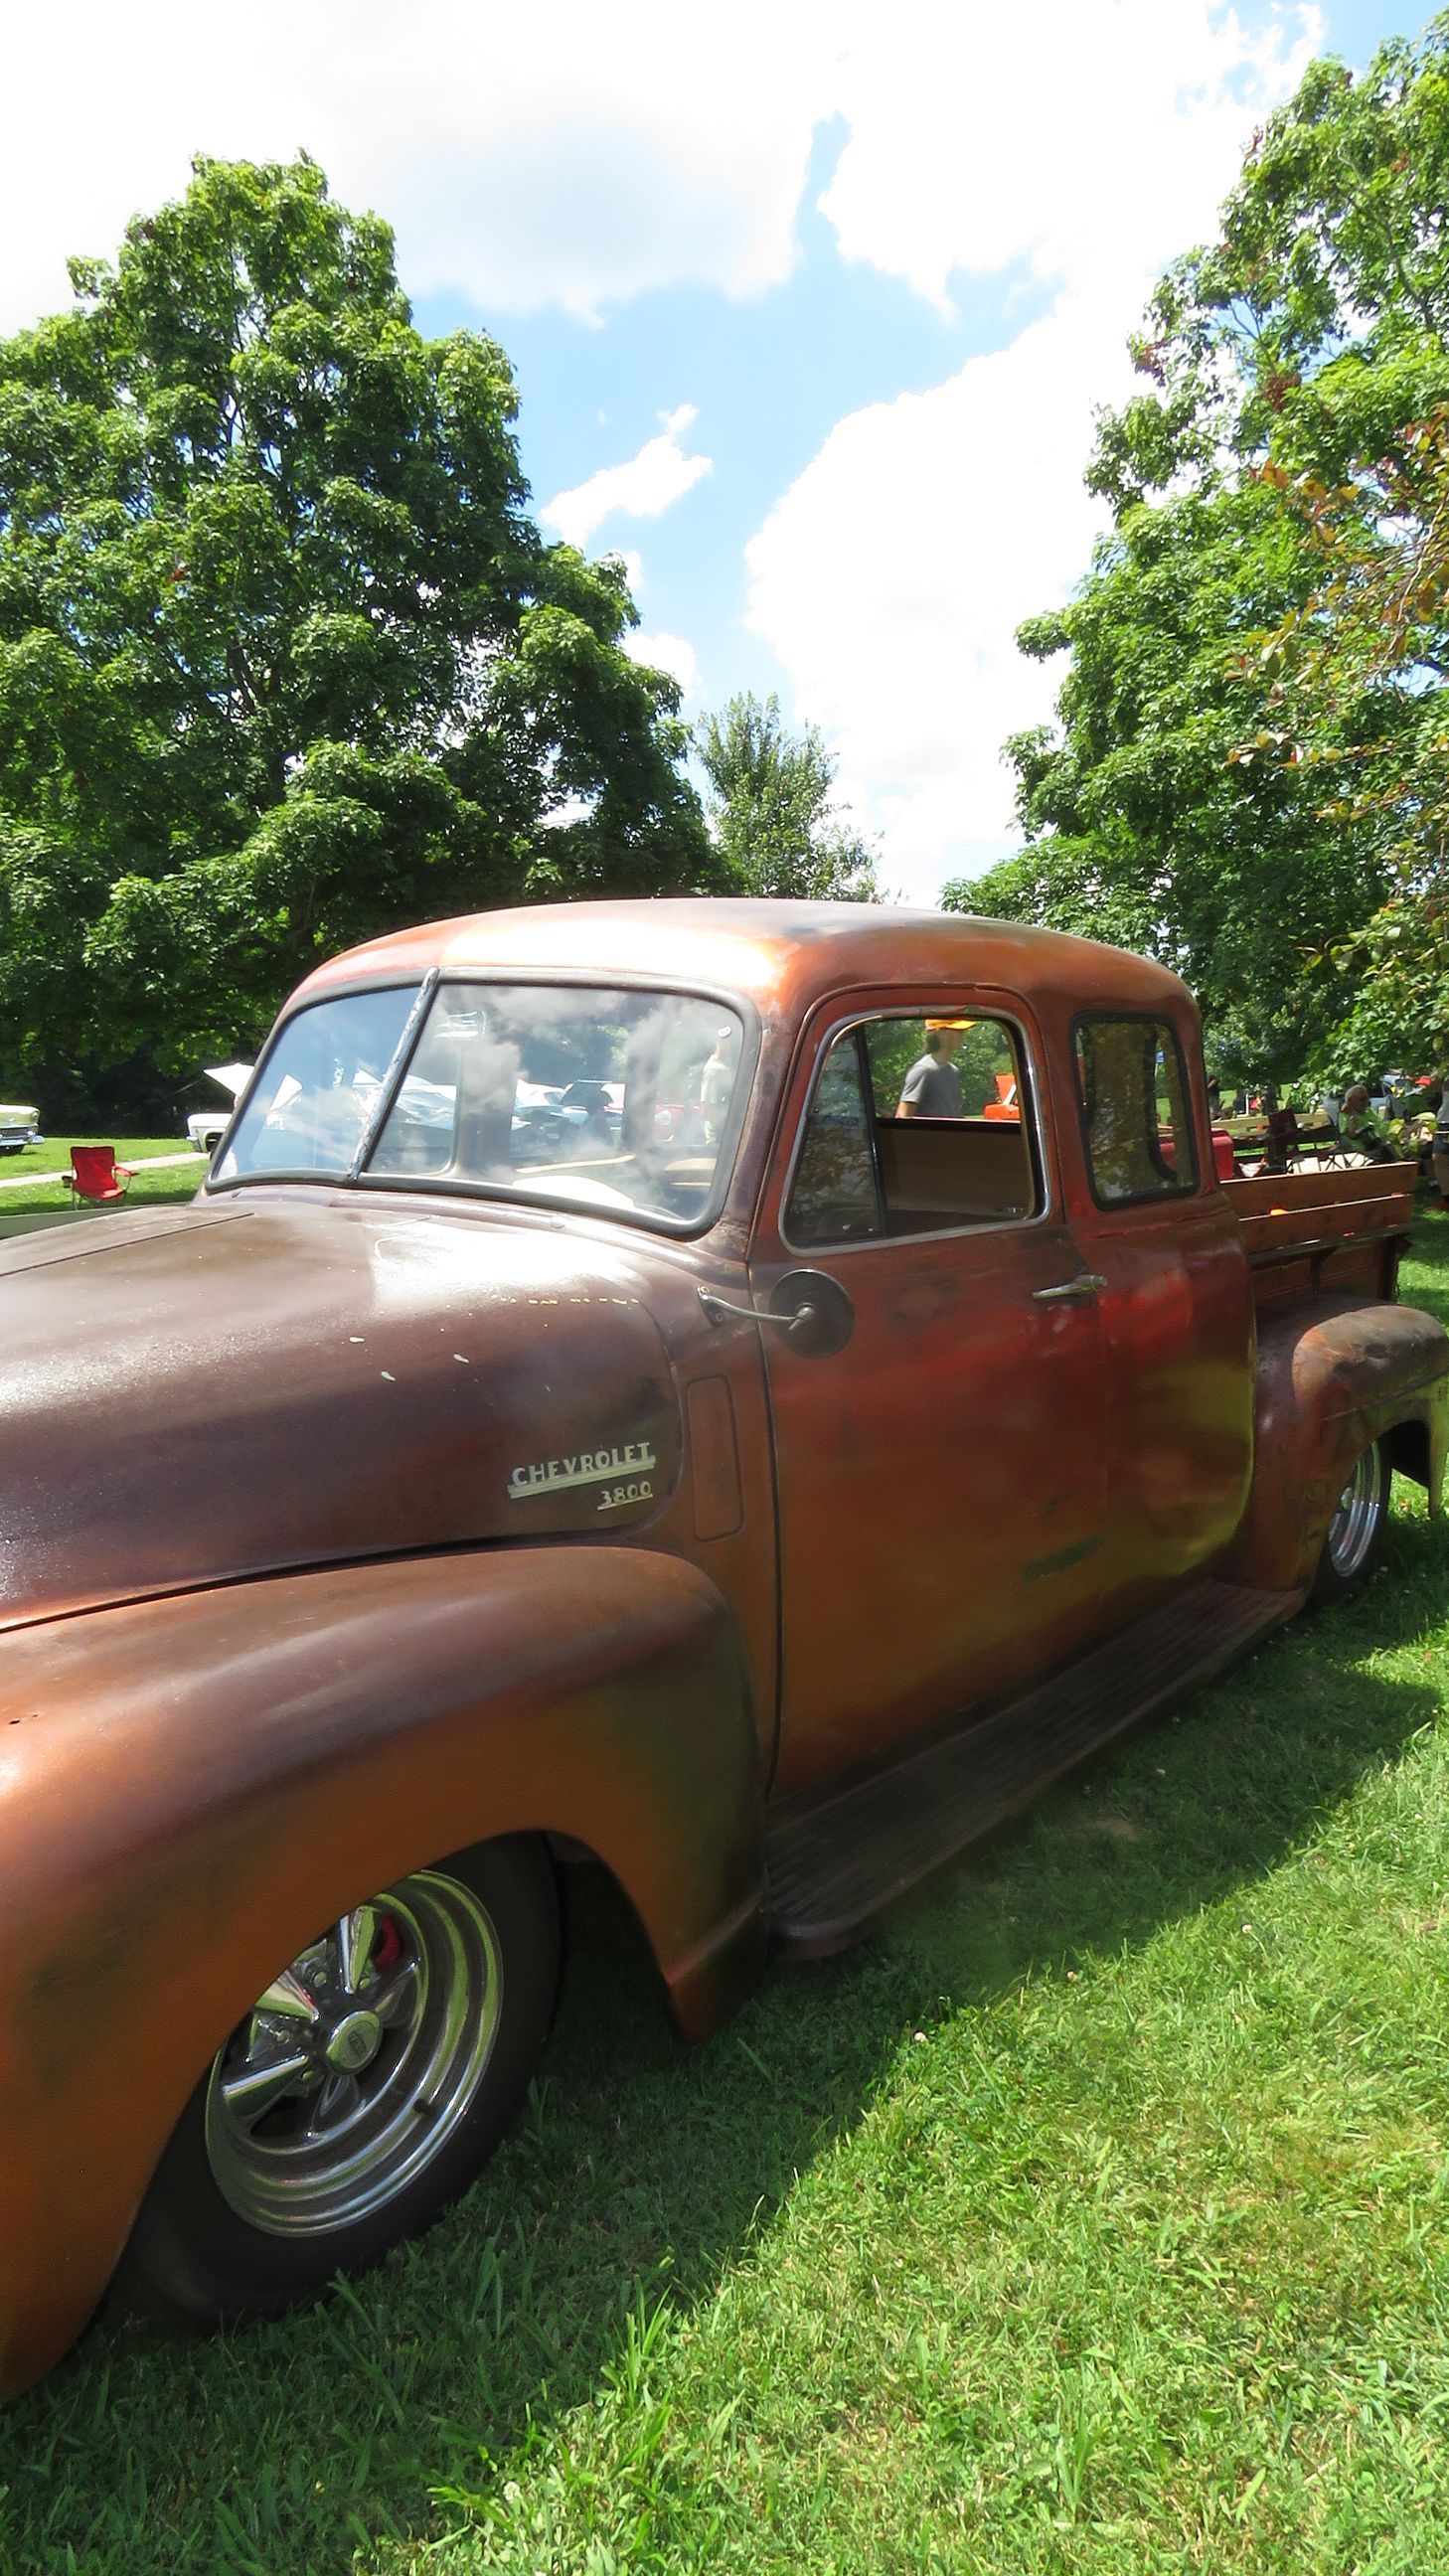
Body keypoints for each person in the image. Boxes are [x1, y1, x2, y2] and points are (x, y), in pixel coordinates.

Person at [896, 1020, 969, 1119]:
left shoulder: (953, 1071)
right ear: (940, 1033)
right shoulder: (923, 1070)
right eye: (958, 1031)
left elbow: (954, 1113)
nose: (962, 1035)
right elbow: (902, 1116)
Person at [1339, 1083, 1395, 1164]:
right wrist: (1351, 1115)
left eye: (1367, 1099)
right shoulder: (1344, 1115)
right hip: (1360, 1152)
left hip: (1379, 1144)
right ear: (1350, 1101)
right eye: (1362, 1099)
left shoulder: (1368, 1111)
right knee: (1385, 1153)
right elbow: (1351, 1135)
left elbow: (1382, 1126)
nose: (1366, 1102)